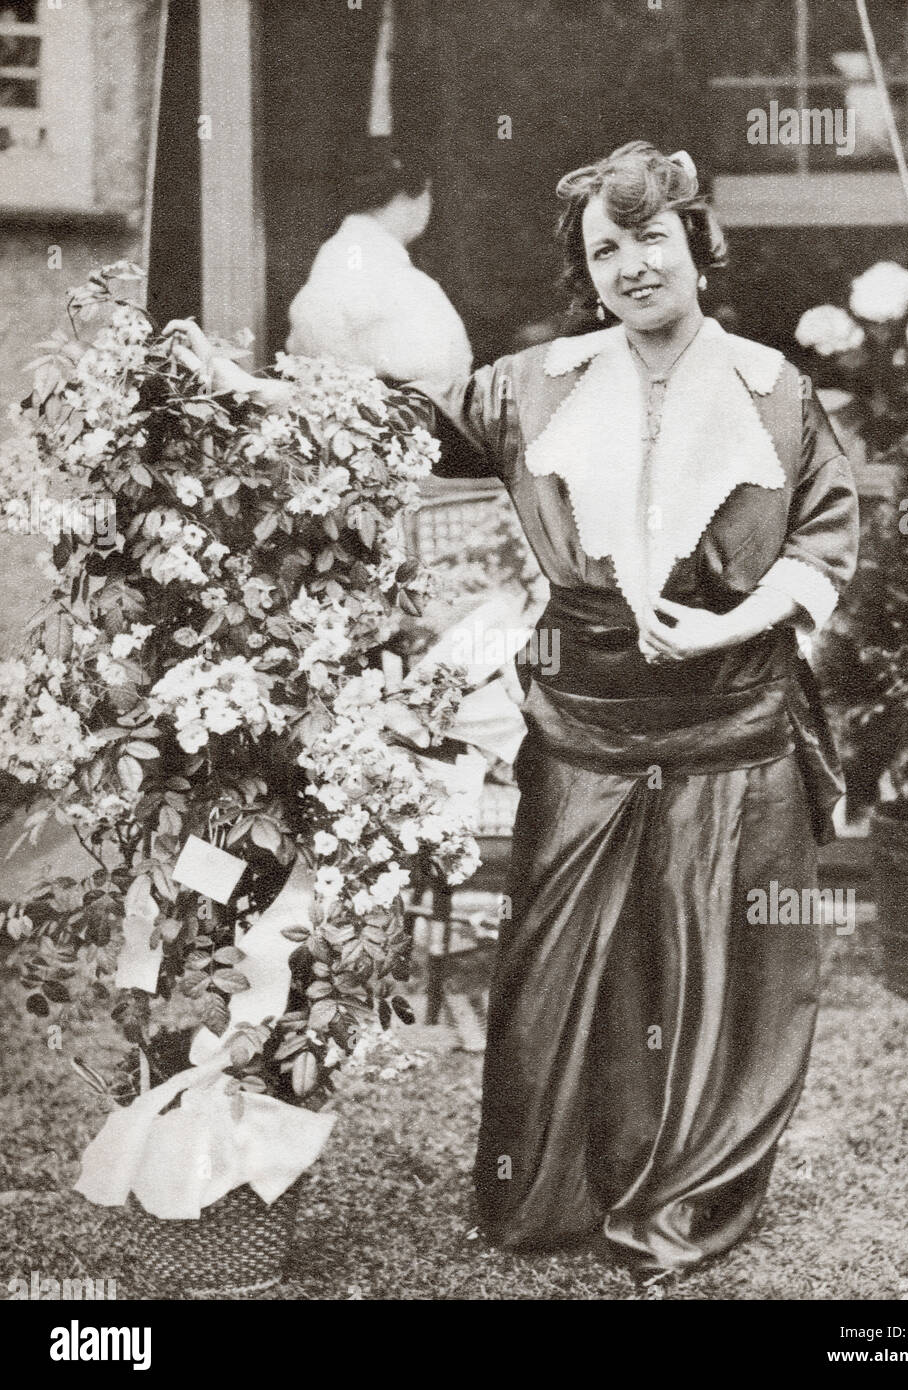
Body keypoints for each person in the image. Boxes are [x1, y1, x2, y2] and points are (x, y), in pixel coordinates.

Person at [167, 139, 859, 1283]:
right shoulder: (533, 386)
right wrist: (244, 387)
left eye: (649, 237)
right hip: (584, 729)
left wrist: (731, 625)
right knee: (549, 978)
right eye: (604, 249)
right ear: (584, 273)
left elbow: (821, 543)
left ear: (695, 242)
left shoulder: (773, 390)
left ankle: (681, 1187)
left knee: (710, 979)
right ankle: (555, 1182)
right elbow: (388, 421)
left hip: (729, 734)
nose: (631, 265)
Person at [285, 144, 473, 384]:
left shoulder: (333, 261)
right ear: (408, 197)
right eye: (428, 194)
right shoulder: (402, 283)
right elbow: (447, 373)